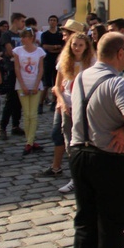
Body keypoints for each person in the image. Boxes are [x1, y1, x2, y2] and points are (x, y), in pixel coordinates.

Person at [67, 32, 124, 248]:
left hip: (79, 154)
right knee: (111, 224)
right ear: (121, 54)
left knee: (85, 218)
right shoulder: (117, 82)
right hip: (109, 158)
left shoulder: (81, 77)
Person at [46, 32, 96, 194]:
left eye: (81, 45)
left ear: (86, 46)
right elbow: (57, 87)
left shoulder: (91, 62)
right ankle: (75, 177)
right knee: (70, 142)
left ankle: (87, 176)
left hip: (84, 106)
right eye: (74, 44)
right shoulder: (64, 61)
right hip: (68, 105)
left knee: (86, 142)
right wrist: (61, 102)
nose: (77, 48)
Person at [13, 27, 47, 155]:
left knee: (33, 114)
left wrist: (36, 84)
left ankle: (30, 141)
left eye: (24, 37)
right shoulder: (17, 51)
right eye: (21, 37)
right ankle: (30, 141)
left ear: (31, 38)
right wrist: (23, 85)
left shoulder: (39, 52)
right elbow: (17, 69)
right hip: (22, 85)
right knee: (26, 114)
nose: (22, 39)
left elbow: (40, 69)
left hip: (35, 85)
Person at [0, 12, 26, 138]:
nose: (23, 24)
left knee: (18, 99)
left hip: (21, 69)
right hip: (11, 69)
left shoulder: (21, 35)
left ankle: (15, 125)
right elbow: (10, 52)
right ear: (15, 21)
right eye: (22, 21)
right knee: (10, 100)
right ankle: (2, 127)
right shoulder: (7, 35)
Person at [40, 15, 64, 113]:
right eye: (51, 20)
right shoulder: (45, 34)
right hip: (48, 60)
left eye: (54, 20)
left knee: (56, 83)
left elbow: (62, 47)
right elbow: (45, 46)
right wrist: (55, 47)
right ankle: (40, 104)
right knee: (46, 84)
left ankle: (54, 102)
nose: (52, 22)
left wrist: (54, 48)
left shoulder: (59, 35)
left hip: (57, 60)